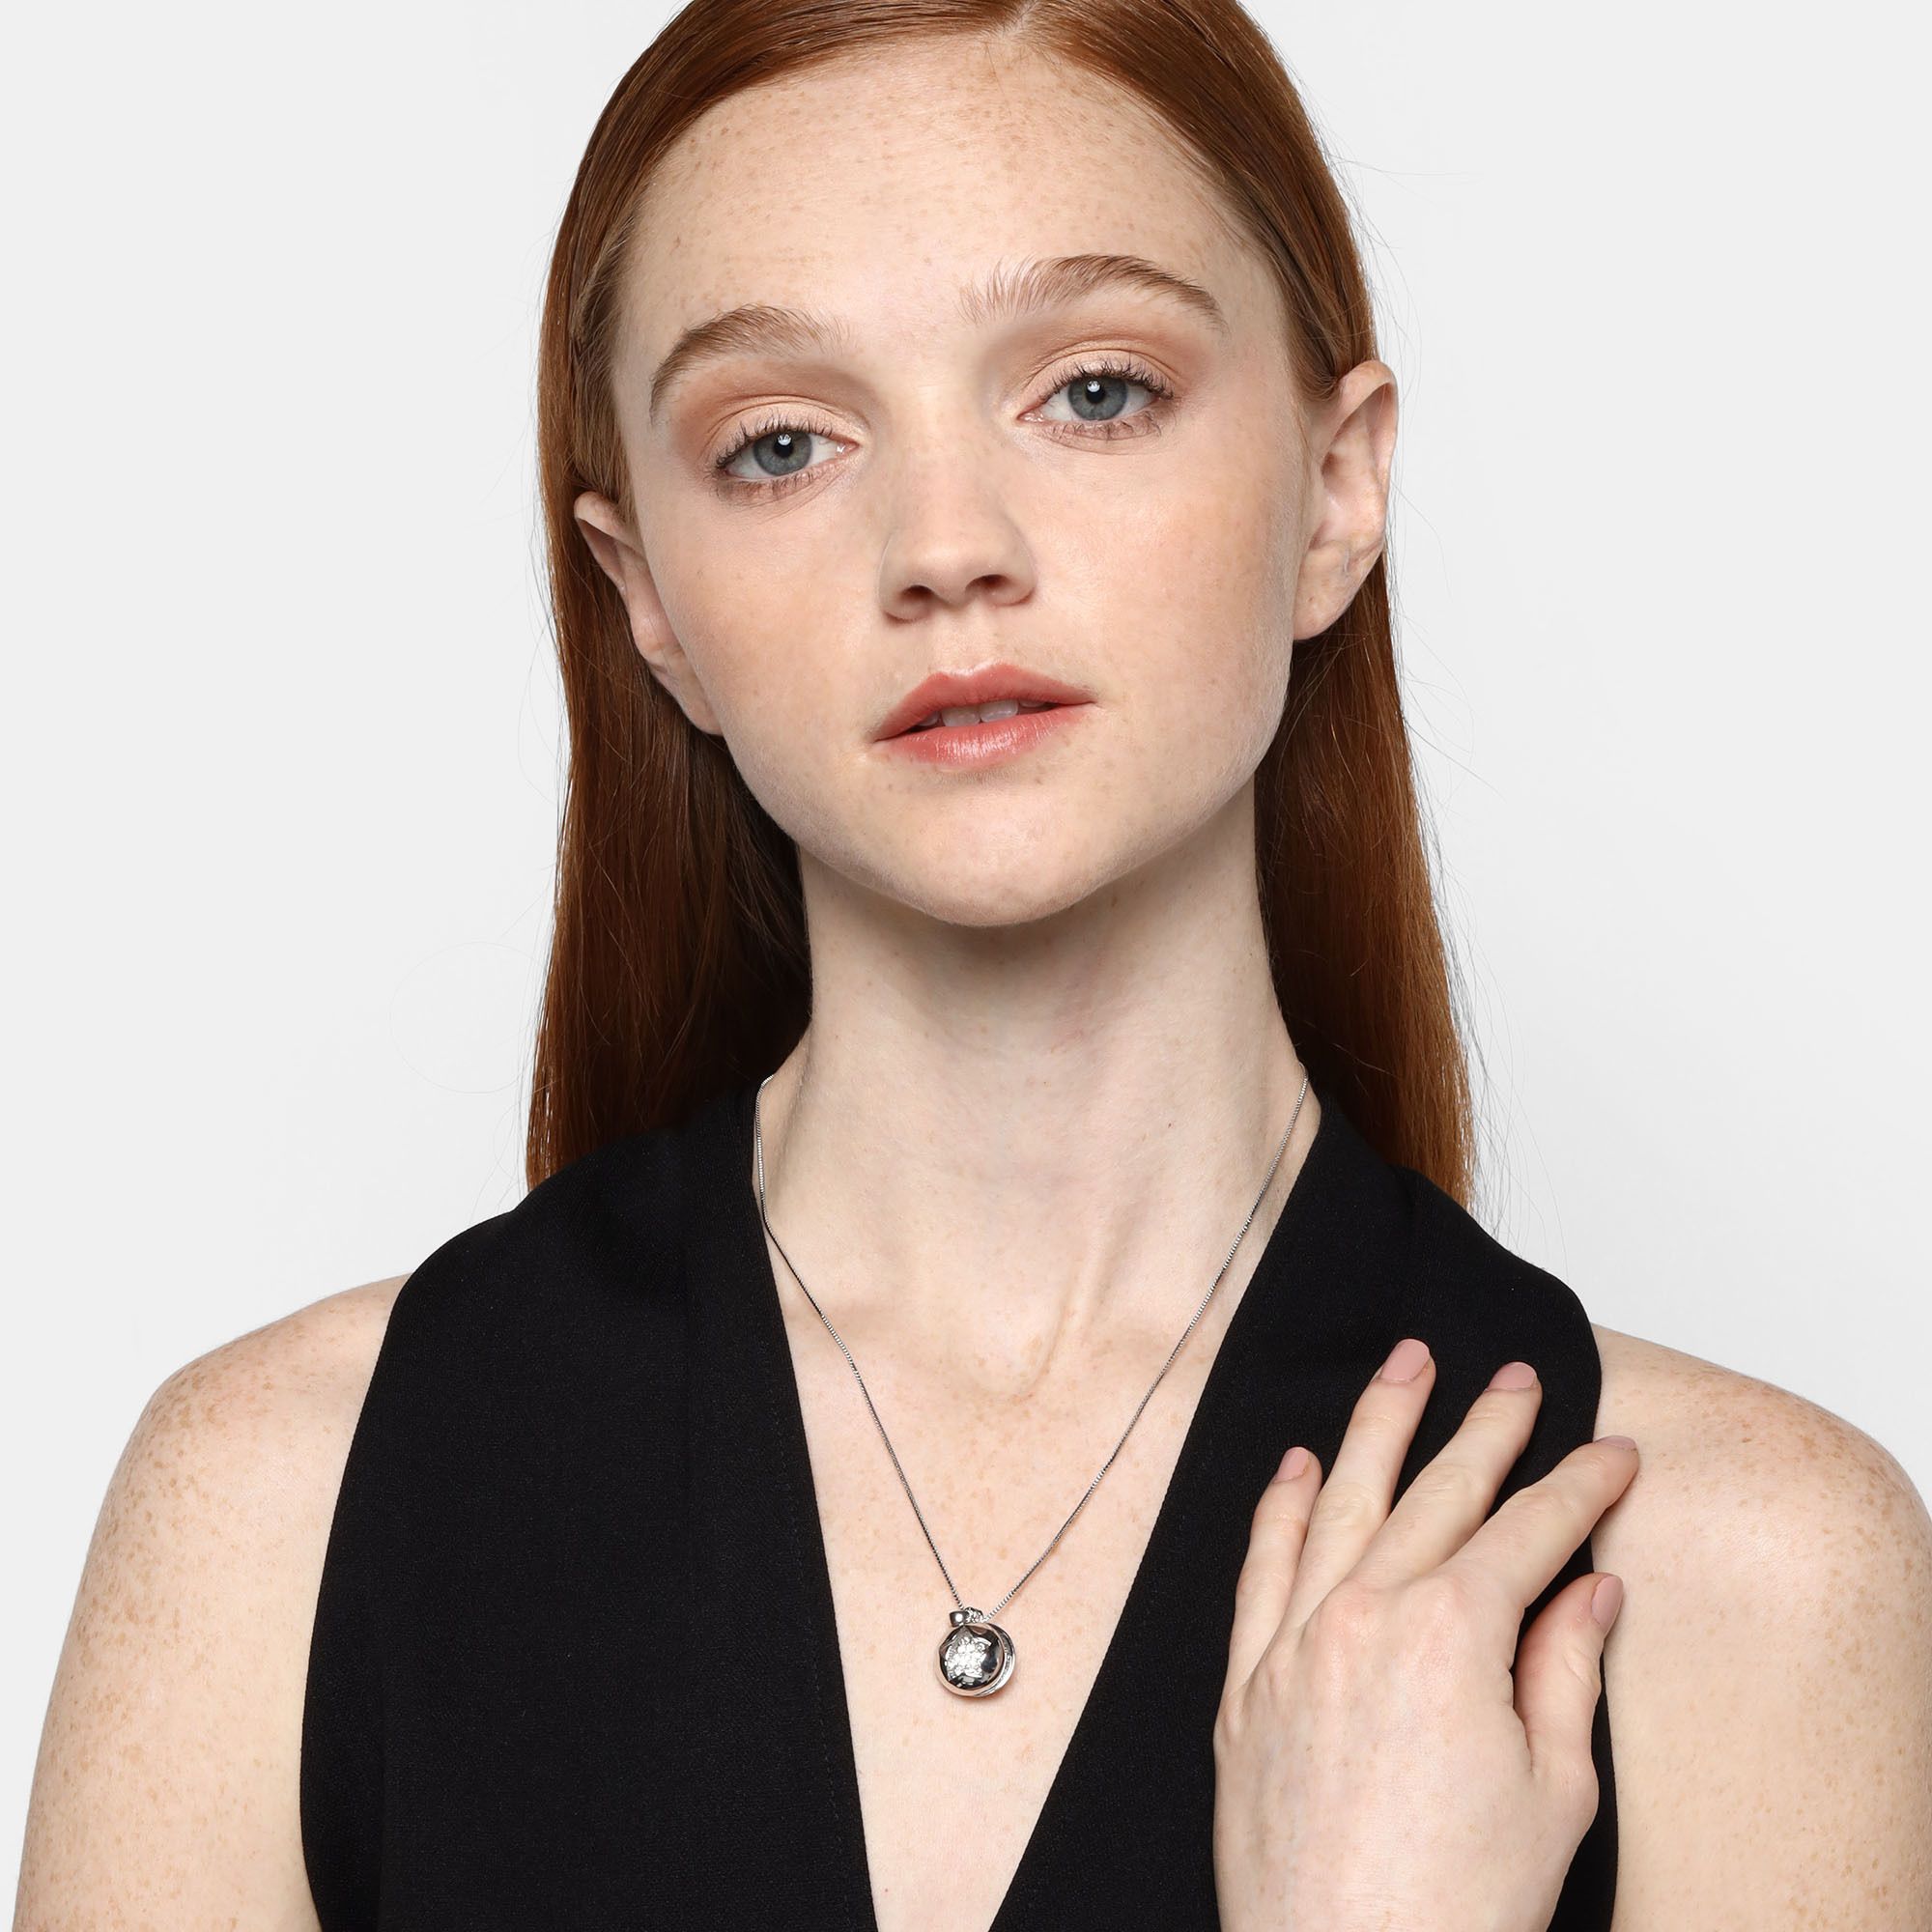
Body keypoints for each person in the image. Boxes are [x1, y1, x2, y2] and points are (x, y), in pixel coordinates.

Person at [17, 2, 1931, 1926]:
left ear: (1338, 490)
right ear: (647, 598)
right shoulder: (272, 1513)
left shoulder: (1743, 1581)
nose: (945, 547)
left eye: (1094, 392)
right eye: (780, 444)